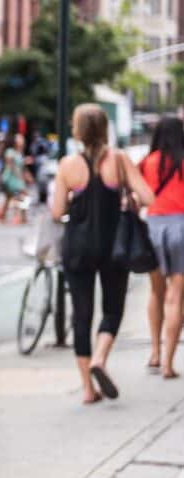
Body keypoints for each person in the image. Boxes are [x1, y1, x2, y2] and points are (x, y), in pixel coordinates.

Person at [51, 104, 156, 404]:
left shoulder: (68, 165)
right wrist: (130, 196)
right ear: (105, 129)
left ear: (78, 130)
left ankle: (87, 388)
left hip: (78, 248)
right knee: (112, 309)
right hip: (114, 246)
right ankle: (100, 357)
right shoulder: (119, 160)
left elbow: (57, 212)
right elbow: (148, 196)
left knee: (81, 316)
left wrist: (74, 199)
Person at [139, 116, 184, 380]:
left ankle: (155, 352)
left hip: (153, 227)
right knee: (176, 296)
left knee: (156, 292)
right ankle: (168, 363)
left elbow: (137, 195)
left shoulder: (148, 162)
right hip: (181, 226)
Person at [1, 133, 30, 223]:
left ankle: (4, 216)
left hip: (17, 178)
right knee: (22, 195)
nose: (21, 140)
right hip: (12, 178)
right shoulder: (10, 151)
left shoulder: (19, 152)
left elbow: (21, 166)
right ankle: (20, 217)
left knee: (9, 197)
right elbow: (11, 165)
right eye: (19, 139)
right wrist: (19, 176)